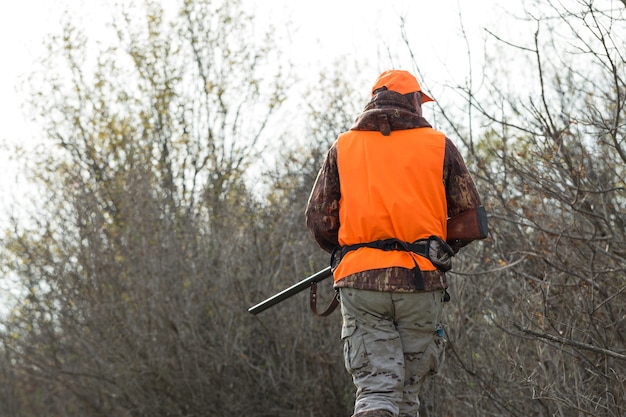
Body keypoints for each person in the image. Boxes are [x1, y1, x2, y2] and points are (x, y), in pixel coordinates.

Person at [305, 69, 484, 417]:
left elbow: (318, 220)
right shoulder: (439, 145)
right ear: (415, 101)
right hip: (420, 283)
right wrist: (438, 249)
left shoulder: (343, 147)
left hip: (361, 283)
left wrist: (349, 253)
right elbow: (471, 220)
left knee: (376, 390)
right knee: (404, 395)